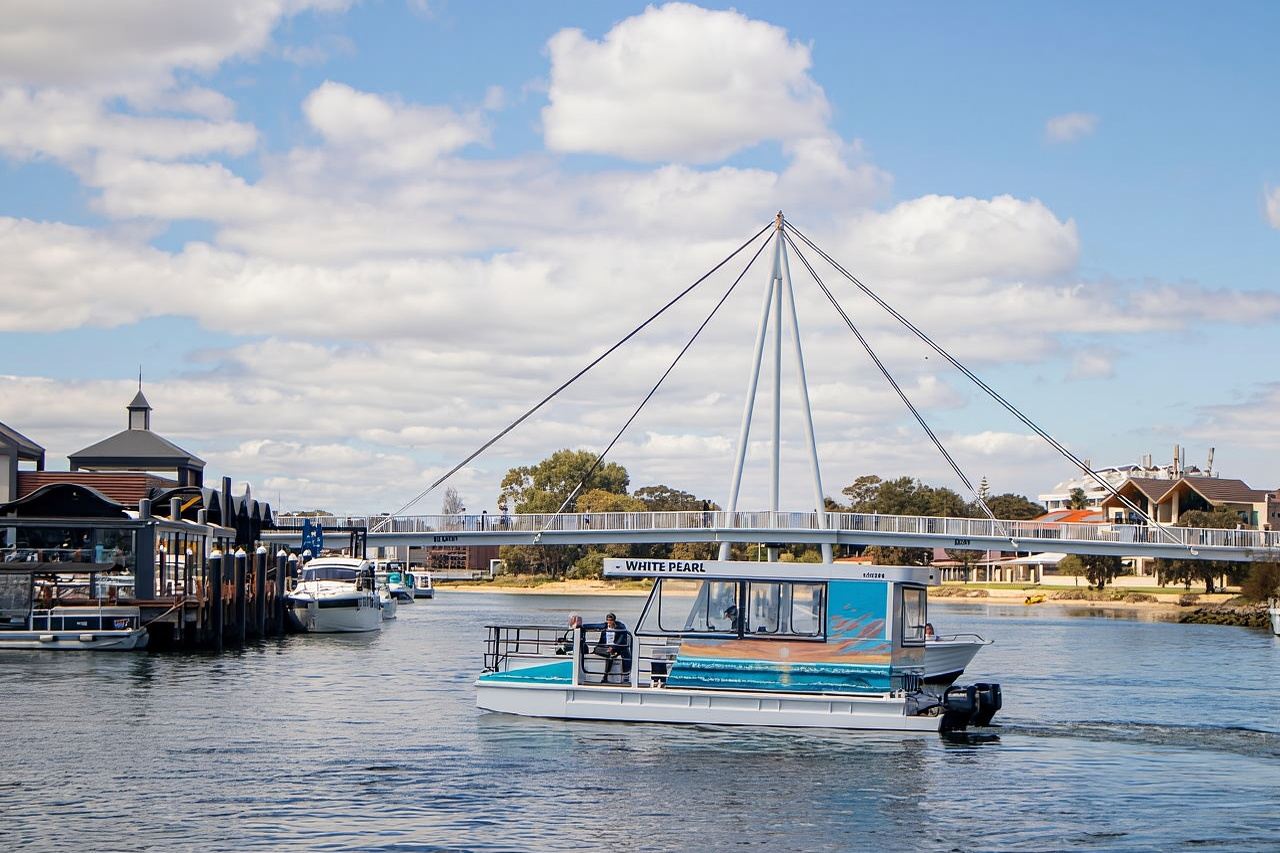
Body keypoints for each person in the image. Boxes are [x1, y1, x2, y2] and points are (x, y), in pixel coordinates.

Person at [584, 612, 630, 683]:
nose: (609, 622)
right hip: (604, 648)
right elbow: (595, 626)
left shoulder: (620, 628)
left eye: (611, 620)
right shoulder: (605, 626)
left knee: (612, 655)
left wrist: (613, 647)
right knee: (607, 653)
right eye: (608, 620)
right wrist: (581, 626)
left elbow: (621, 640)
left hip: (615, 648)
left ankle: (605, 676)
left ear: (614, 620)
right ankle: (604, 677)